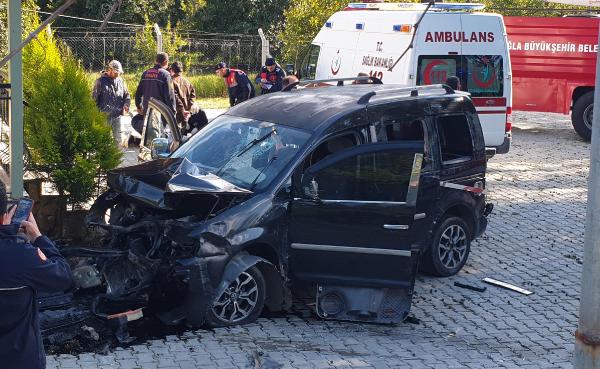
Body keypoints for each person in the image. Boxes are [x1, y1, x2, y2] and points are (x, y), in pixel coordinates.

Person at [0, 186, 73, 369]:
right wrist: (38, 238)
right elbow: (63, 276)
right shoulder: (21, 256)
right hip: (20, 360)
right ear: (4, 215)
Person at [92, 60, 131, 141]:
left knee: (118, 140)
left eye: (119, 72)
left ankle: (117, 153)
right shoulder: (100, 81)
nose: (118, 74)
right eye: (116, 72)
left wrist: (126, 104)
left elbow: (127, 95)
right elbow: (93, 100)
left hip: (118, 116)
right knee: (103, 140)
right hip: (104, 117)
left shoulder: (121, 81)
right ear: (110, 69)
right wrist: (94, 116)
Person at [170, 61, 197, 130]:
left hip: (176, 113)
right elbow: (193, 96)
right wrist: (188, 109)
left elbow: (175, 97)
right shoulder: (187, 82)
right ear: (181, 70)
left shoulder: (171, 81)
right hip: (186, 112)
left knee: (176, 133)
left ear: (172, 70)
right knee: (183, 131)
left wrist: (182, 109)